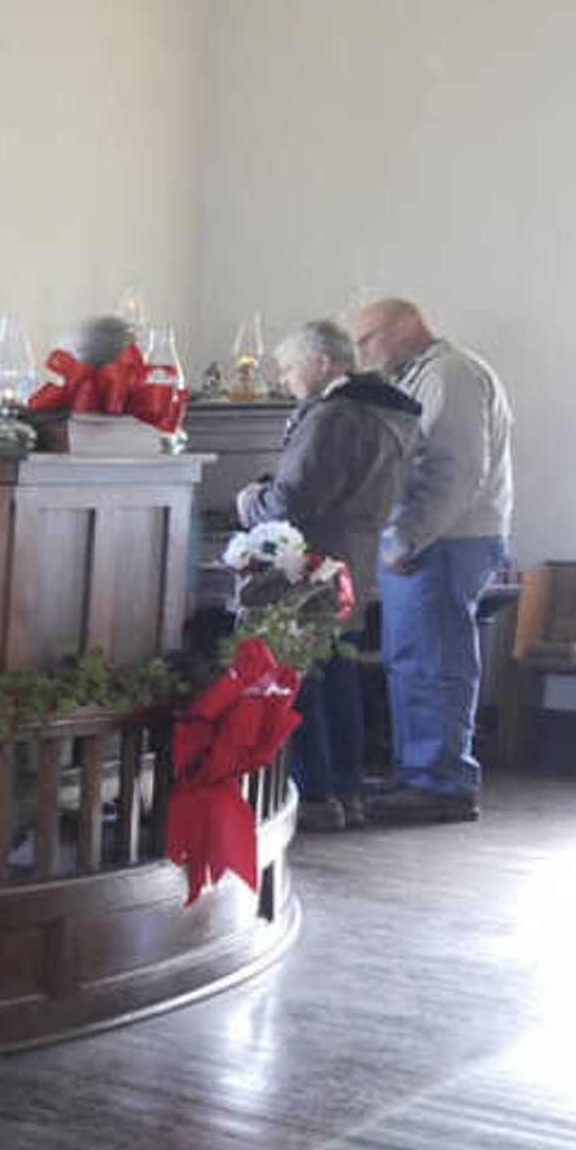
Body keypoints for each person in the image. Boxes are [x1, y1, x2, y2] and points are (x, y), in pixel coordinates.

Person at [234, 318, 418, 832]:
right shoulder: (386, 410)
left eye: (291, 368)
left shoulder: (334, 415)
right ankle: (347, 788)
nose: (288, 379)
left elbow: (296, 500)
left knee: (305, 681)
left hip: (309, 565)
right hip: (352, 559)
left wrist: (252, 503)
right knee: (338, 674)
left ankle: (313, 793)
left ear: (321, 363)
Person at [346, 296, 515, 823]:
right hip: (440, 538)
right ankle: (421, 776)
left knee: (433, 660)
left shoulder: (450, 374)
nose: (361, 352)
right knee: (415, 658)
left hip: (446, 539)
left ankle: (440, 784)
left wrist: (407, 537)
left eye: (368, 338)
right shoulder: (428, 372)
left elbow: (453, 470)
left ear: (405, 327)